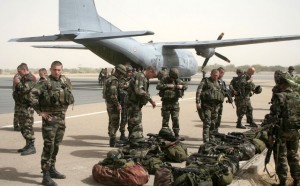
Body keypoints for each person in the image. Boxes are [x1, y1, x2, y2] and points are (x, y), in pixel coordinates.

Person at [29, 61, 74, 186]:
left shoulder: (65, 81)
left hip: (61, 118)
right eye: (54, 70)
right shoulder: (44, 82)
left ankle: (52, 169)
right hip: (50, 119)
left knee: (56, 145)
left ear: (62, 70)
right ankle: (45, 175)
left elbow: (69, 96)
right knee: (49, 146)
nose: (57, 72)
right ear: (50, 69)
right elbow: (31, 95)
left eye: (59, 70)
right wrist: (40, 112)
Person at [267, 72, 300, 186]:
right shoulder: (297, 96)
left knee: (281, 157)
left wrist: (270, 134)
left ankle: (283, 182)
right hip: (295, 132)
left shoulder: (279, 96)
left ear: (283, 83)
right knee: (294, 156)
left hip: (282, 132)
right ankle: (296, 180)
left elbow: (273, 118)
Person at [127, 66, 157, 143]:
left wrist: (151, 101)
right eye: (152, 76)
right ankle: (134, 140)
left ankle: (131, 140)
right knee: (136, 124)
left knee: (133, 123)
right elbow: (139, 91)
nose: (152, 78)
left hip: (136, 104)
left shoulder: (143, 77)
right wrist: (149, 99)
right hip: (133, 104)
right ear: (150, 71)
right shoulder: (140, 76)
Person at [13, 63, 37, 155]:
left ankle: (31, 146)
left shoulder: (29, 78)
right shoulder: (24, 78)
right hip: (21, 107)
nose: (18, 73)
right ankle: (28, 145)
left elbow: (24, 90)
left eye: (19, 71)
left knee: (27, 126)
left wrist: (17, 83)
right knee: (23, 127)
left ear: (23, 70)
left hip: (27, 108)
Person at [156, 68, 187, 138]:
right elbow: (158, 86)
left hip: (175, 103)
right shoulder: (164, 79)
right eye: (172, 77)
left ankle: (176, 134)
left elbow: (185, 86)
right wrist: (167, 86)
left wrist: (182, 86)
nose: (173, 79)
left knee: (175, 119)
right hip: (166, 103)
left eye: (174, 78)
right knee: (165, 119)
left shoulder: (177, 80)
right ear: (170, 75)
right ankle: (165, 134)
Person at [196, 69, 223, 142]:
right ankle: (206, 141)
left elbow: (220, 94)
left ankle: (212, 139)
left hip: (216, 107)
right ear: (211, 74)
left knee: (213, 123)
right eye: (214, 75)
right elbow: (199, 91)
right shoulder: (205, 81)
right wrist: (197, 102)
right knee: (207, 123)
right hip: (207, 106)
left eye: (217, 76)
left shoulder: (219, 83)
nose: (215, 77)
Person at [103, 64, 127, 147]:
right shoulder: (114, 80)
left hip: (109, 103)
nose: (122, 75)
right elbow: (113, 95)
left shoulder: (109, 78)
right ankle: (113, 141)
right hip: (113, 104)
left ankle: (111, 139)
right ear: (119, 72)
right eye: (122, 73)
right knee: (115, 123)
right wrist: (118, 104)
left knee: (111, 121)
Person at [118, 65, 133, 141]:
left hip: (131, 103)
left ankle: (131, 134)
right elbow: (120, 90)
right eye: (129, 72)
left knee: (131, 119)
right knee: (124, 119)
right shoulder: (121, 79)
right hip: (124, 102)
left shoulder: (132, 79)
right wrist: (126, 87)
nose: (130, 73)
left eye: (131, 72)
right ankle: (122, 134)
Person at [216, 67, 228, 132]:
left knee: (219, 118)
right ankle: (211, 133)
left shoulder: (222, 82)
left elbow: (225, 90)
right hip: (214, 103)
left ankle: (216, 131)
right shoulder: (213, 80)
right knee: (213, 119)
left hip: (220, 102)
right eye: (222, 73)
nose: (223, 75)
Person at [12, 65, 22, 131]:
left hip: (18, 95)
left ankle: (17, 125)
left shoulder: (18, 76)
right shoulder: (17, 76)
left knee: (18, 111)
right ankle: (16, 125)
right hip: (18, 96)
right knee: (17, 111)